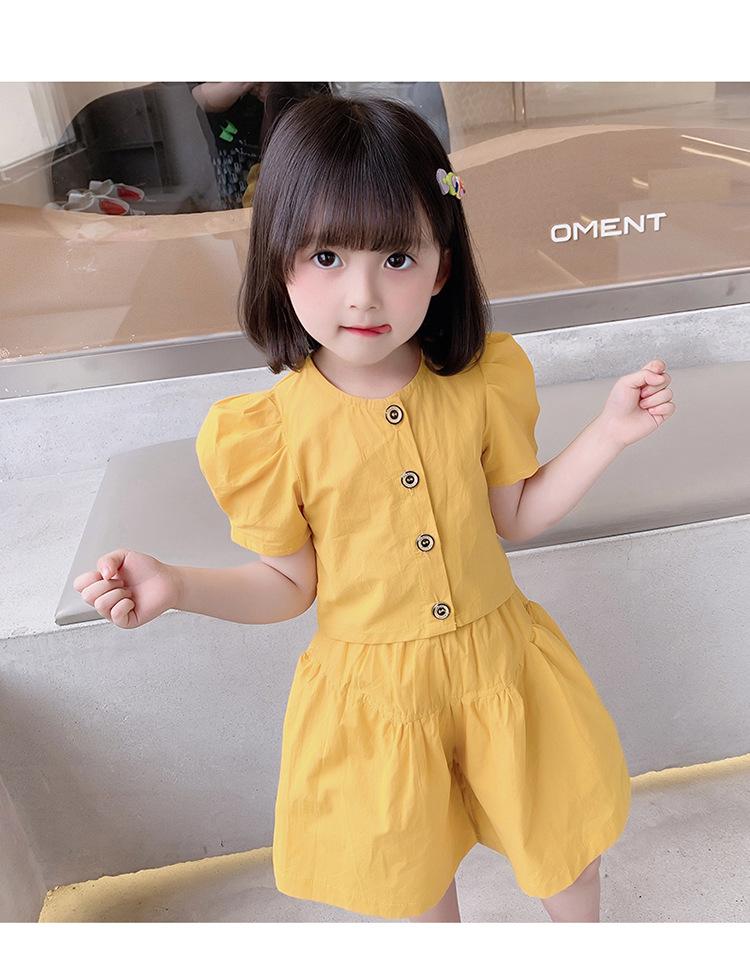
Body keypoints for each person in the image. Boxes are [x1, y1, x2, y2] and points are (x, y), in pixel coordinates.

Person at [72, 93, 676, 923]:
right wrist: (177, 584)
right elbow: (288, 585)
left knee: (564, 846)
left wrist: (609, 432)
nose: (362, 295)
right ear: (278, 260)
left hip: (504, 671)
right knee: (414, 881)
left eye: (396, 256)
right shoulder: (269, 432)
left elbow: (517, 515)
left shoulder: (481, 383)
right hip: (377, 702)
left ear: (442, 266)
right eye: (326, 255)